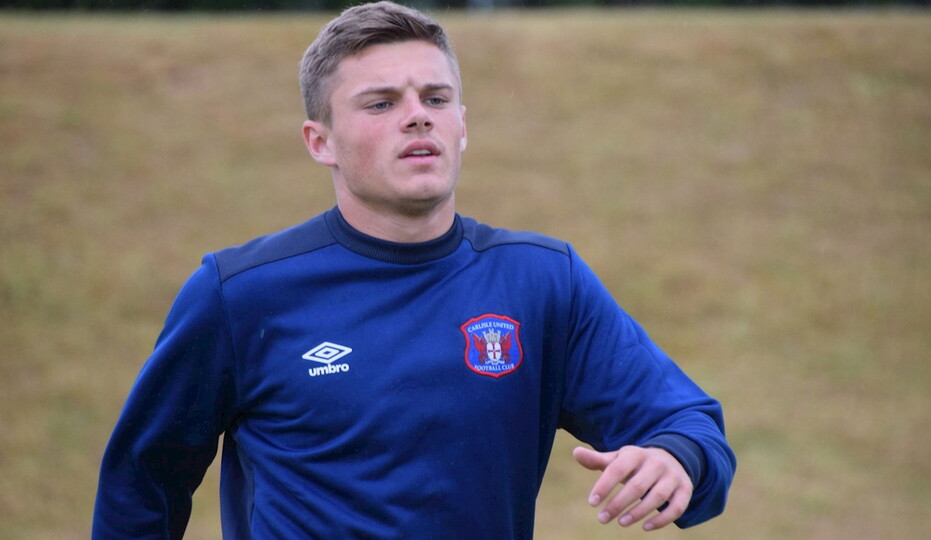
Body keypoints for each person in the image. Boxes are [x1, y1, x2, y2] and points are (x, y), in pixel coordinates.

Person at [92, 2, 735, 538]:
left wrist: (677, 459)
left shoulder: (542, 281)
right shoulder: (240, 294)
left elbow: (689, 425)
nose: (418, 114)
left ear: (462, 126)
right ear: (321, 141)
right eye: (380, 103)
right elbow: (140, 486)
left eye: (436, 97)